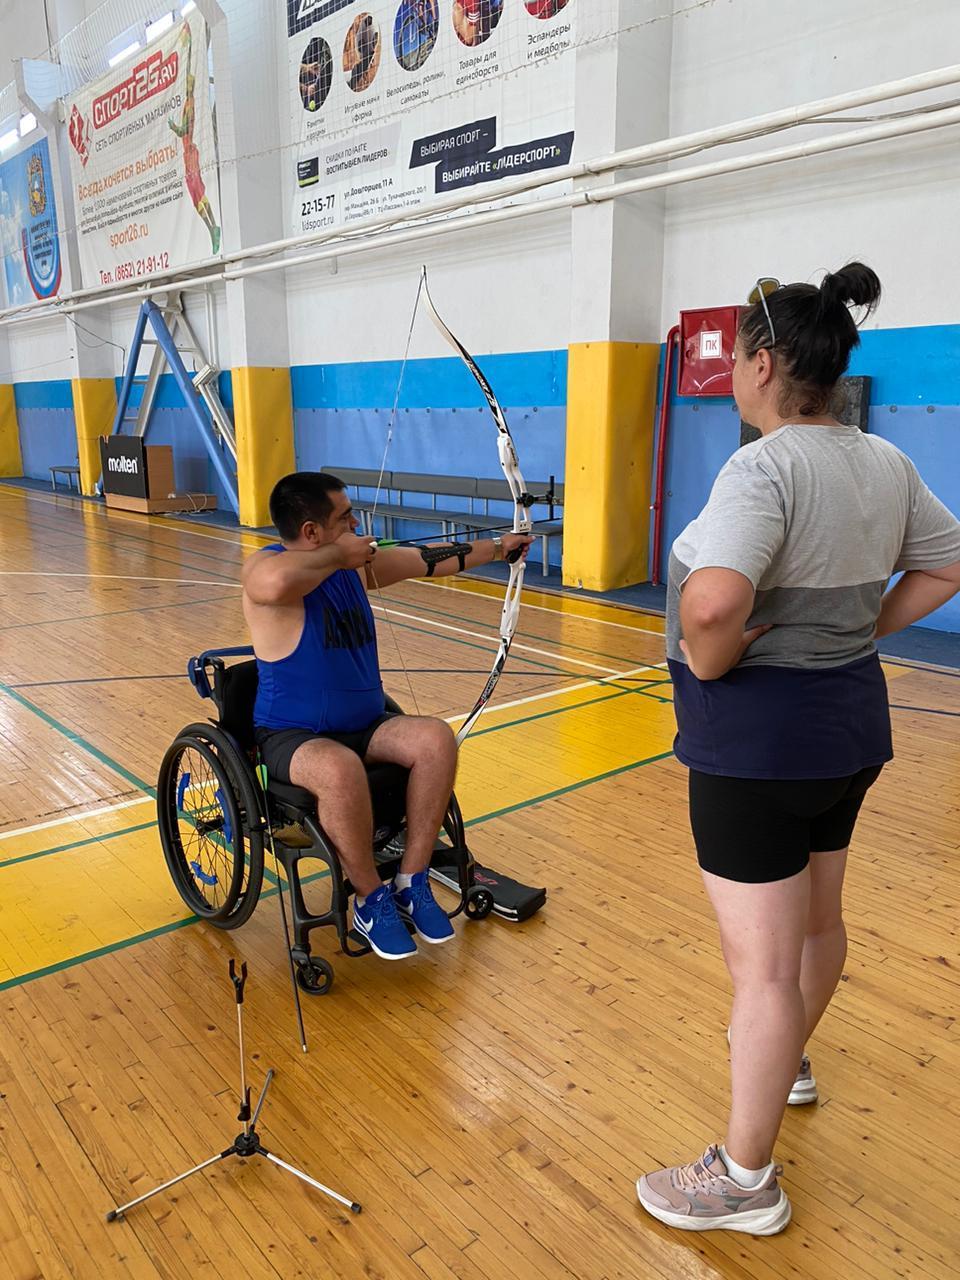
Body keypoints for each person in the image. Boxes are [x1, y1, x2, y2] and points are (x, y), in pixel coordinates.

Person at [636, 263, 960, 1234]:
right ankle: (790, 1064)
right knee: (817, 926)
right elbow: (947, 561)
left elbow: (713, 600)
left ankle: (743, 1176)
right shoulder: (883, 461)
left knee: (765, 973)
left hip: (756, 743)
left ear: (765, 362)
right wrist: (859, 629)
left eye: (737, 354)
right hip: (847, 730)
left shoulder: (763, 467)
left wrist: (717, 650)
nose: (733, 368)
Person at [242, 471, 532, 961]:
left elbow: (429, 560)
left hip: (367, 724)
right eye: (344, 517)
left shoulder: (355, 568)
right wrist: (340, 556)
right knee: (338, 769)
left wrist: (499, 547)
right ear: (311, 533)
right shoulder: (268, 569)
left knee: (435, 739)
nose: (357, 522)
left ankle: (410, 881)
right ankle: (369, 898)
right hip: (293, 736)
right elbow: (271, 584)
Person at [168, 21, 221, 255]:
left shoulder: (189, 109)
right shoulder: (189, 101)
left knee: (196, 195)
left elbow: (184, 130)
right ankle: (214, 228)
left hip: (190, 153)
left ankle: (213, 229)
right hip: (190, 153)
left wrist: (173, 127)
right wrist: (188, 46)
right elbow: (189, 71)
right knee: (199, 194)